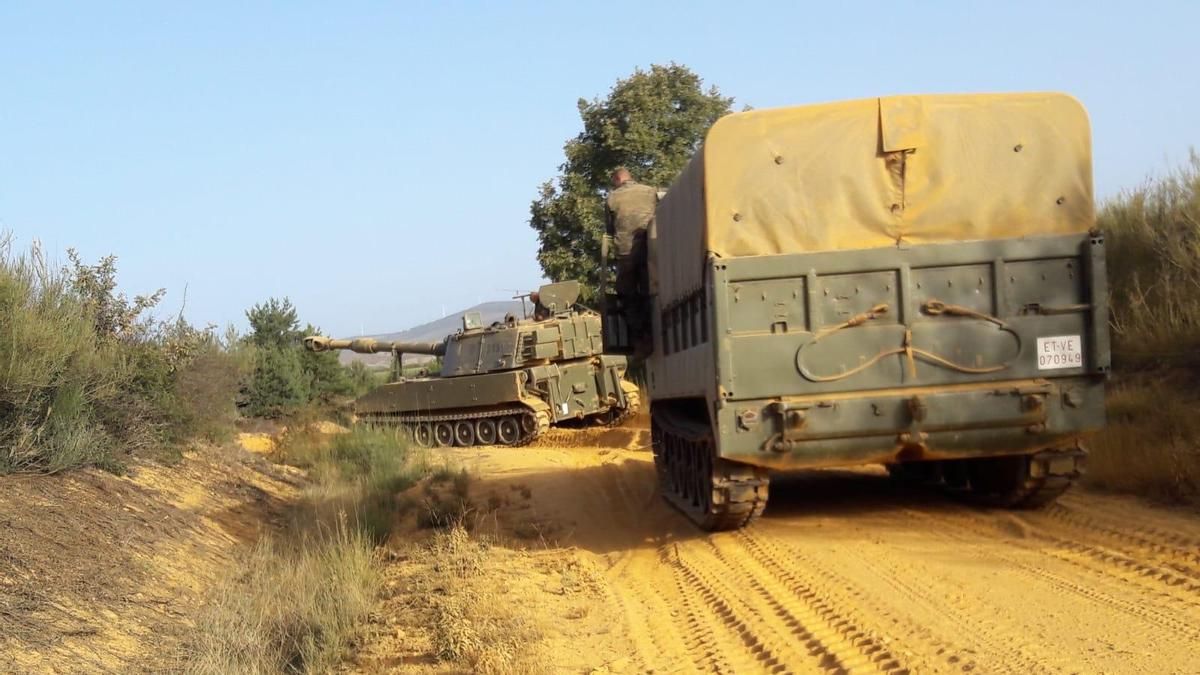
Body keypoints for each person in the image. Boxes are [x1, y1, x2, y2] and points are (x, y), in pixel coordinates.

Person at [605, 168, 657, 348]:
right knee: (649, 290)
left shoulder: (612, 197)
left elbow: (610, 230)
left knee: (626, 293)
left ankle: (640, 337)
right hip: (652, 248)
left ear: (617, 179)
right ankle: (654, 326)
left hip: (627, 252)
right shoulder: (650, 191)